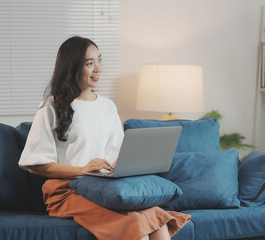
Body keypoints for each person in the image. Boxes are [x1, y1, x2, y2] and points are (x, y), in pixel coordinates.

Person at [18, 36, 190, 240]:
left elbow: (117, 152)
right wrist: (82, 170)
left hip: (106, 188)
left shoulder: (107, 106)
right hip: (67, 191)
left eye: (100, 60)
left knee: (157, 220)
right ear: (72, 67)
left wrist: (121, 165)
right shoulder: (51, 107)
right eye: (90, 63)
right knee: (137, 225)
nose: (98, 68)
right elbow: (35, 165)